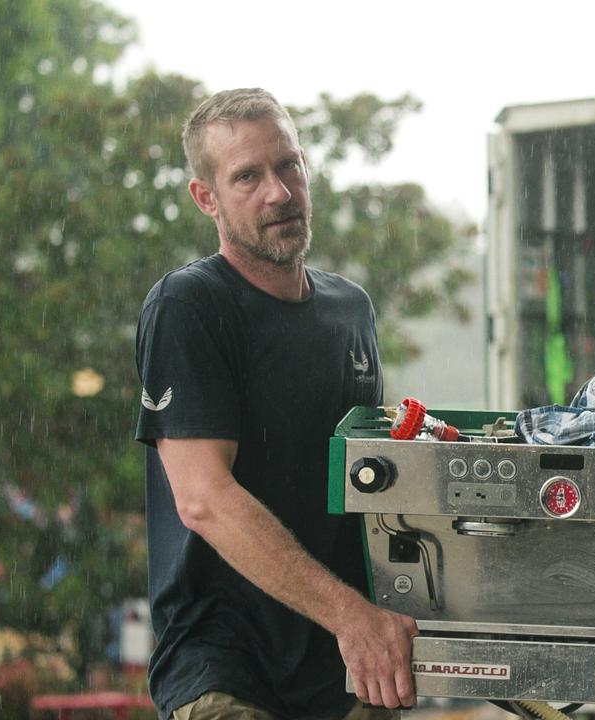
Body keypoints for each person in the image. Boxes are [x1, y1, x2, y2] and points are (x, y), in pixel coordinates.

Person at [134, 88, 417, 720]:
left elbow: (367, 488)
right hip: (225, 663)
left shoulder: (351, 311)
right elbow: (203, 499)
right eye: (247, 177)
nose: (279, 193)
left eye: (288, 165)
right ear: (205, 197)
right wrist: (354, 618)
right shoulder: (189, 307)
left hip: (347, 666)